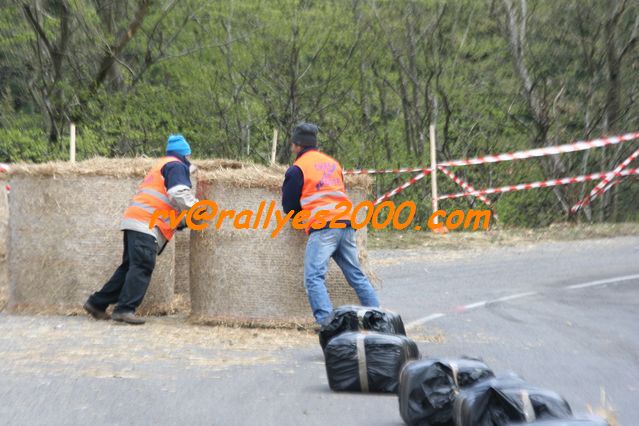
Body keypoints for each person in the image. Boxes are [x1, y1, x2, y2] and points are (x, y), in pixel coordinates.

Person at [83, 134, 199, 324]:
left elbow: (164, 203)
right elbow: (178, 193)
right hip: (145, 224)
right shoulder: (176, 165)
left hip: (135, 221)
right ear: (186, 154)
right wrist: (197, 207)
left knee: (129, 267)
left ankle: (97, 303)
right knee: (142, 265)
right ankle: (124, 309)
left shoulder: (162, 165)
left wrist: (183, 222)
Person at [281, 122, 380, 326]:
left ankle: (328, 325)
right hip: (346, 224)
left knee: (313, 277)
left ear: (297, 145)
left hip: (324, 227)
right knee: (356, 276)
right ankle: (379, 319)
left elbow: (289, 204)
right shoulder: (333, 163)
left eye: (292, 144)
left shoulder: (297, 168)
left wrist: (299, 217)